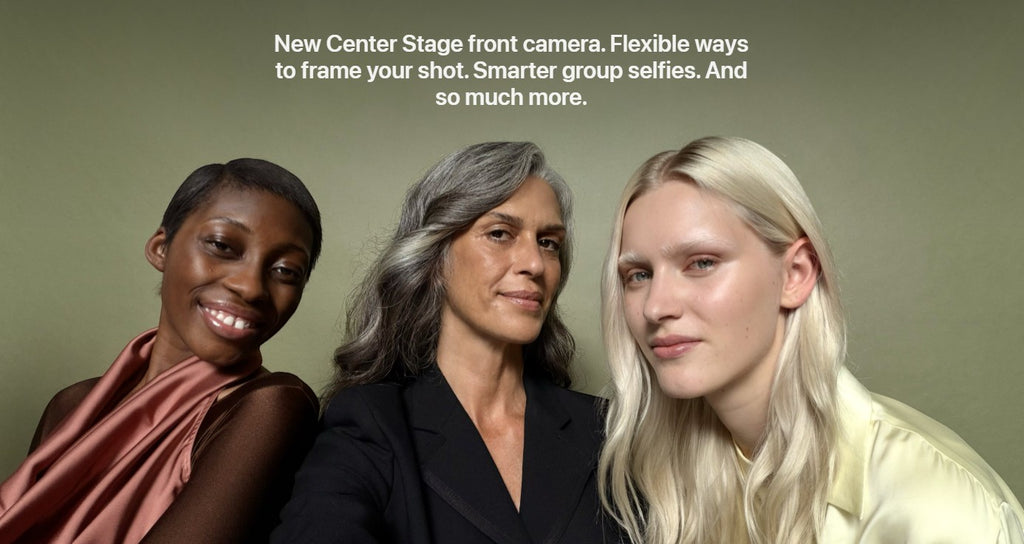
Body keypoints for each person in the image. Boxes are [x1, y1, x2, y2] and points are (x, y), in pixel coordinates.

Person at [598, 136, 1024, 543]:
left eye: (702, 263)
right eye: (638, 275)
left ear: (796, 274)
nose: (656, 307)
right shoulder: (683, 480)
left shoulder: (933, 501)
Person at [273, 142, 618, 544]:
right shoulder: (371, 424)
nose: (535, 264)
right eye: (500, 233)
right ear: (435, 258)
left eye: (548, 242)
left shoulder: (609, 431)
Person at [0, 158, 323, 543]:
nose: (251, 287)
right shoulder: (70, 406)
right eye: (222, 245)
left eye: (286, 271)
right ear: (160, 248)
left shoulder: (271, 406)